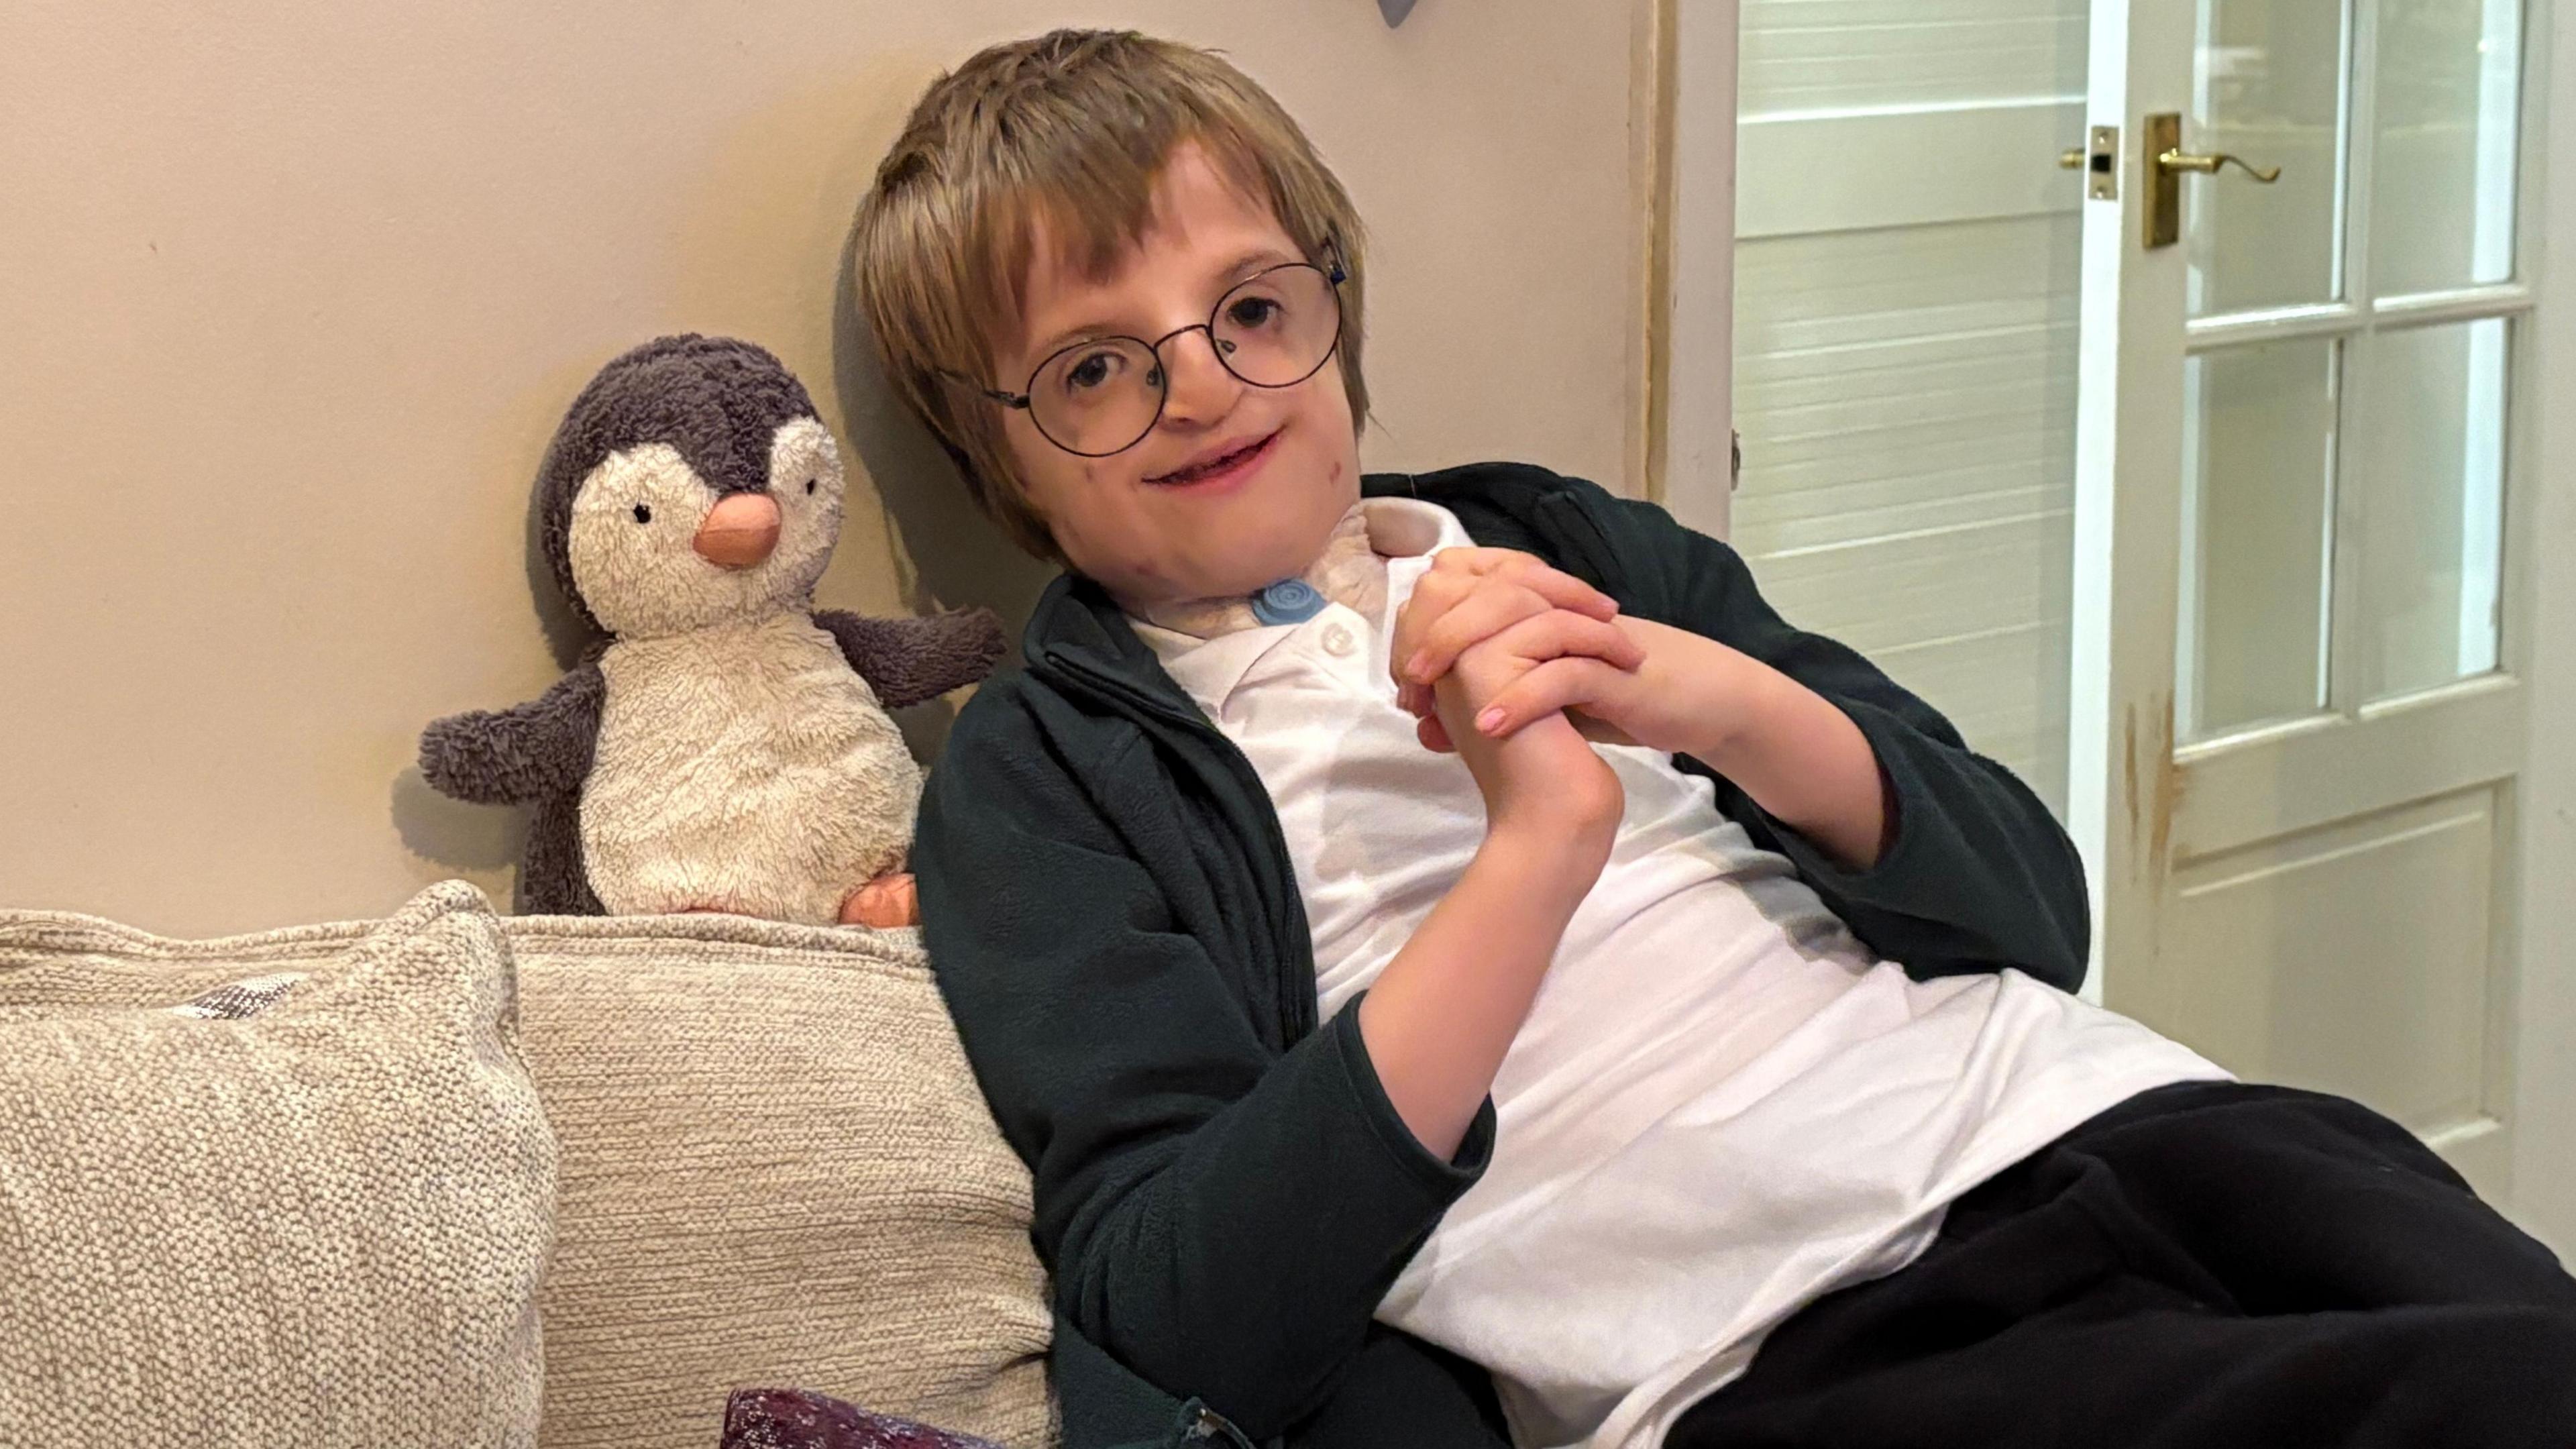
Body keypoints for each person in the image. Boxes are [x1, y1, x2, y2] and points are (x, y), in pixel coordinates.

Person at [849, 28, 2576, 1449]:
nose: (1207, 384)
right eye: (1093, 370)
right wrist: (1536, 854)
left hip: (2099, 1115)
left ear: (1334, 308)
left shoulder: (1561, 537)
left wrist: (1694, 691)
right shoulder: (1042, 778)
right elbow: (1181, 1307)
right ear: (1000, 455)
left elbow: (2033, 909)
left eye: (1251, 308)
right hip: (1762, 1336)